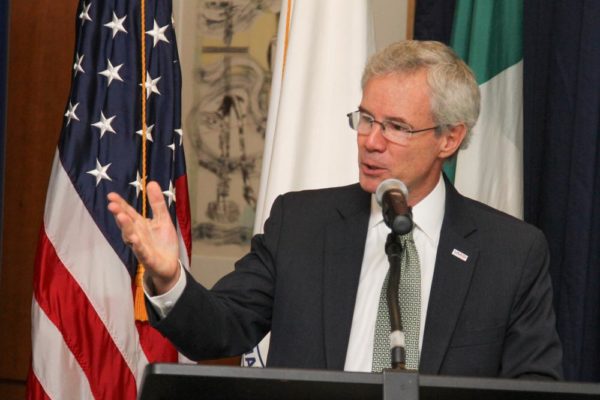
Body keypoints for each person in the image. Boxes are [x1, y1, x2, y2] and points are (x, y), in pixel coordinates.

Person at [107, 40, 562, 378]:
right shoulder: (300, 224)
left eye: (397, 127)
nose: (371, 140)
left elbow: (533, 386)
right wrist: (170, 279)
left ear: (449, 138)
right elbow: (220, 331)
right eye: (365, 119)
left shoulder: (511, 253)